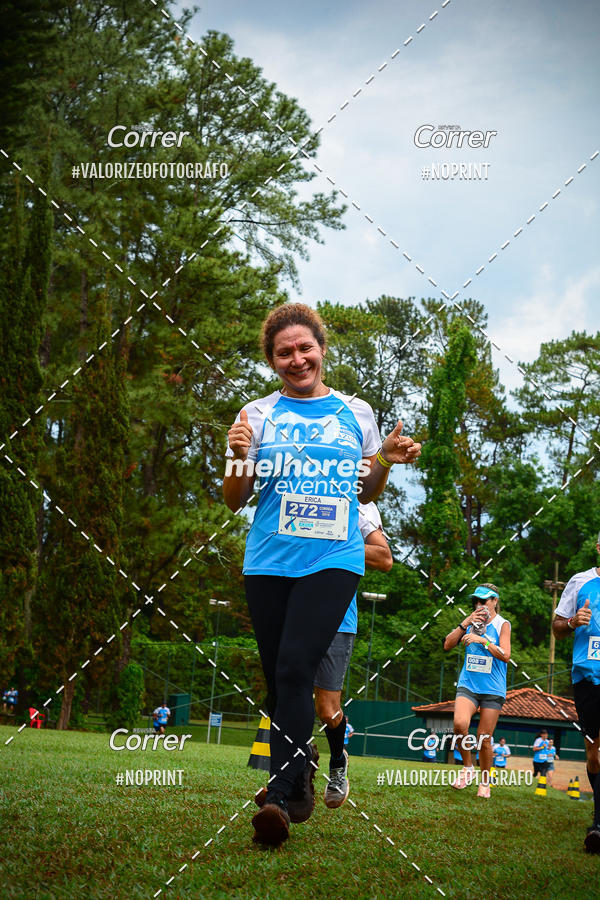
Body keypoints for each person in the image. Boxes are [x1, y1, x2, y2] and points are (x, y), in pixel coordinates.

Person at [223, 303, 421, 845]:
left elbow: (365, 491)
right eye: (284, 352)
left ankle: (281, 801)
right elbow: (235, 500)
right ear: (272, 361)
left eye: (304, 347)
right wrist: (239, 458)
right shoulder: (256, 415)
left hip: (333, 560)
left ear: (322, 349)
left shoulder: (355, 412)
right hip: (267, 561)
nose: (296, 358)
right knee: (281, 681)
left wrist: (383, 458)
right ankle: (302, 775)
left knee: (295, 665)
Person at [314, 500, 392, 808]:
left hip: (337, 619)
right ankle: (286, 777)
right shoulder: (295, 488)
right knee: (285, 696)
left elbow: (384, 558)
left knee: (326, 709)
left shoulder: (361, 505)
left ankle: (337, 762)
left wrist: (330, 546)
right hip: (293, 612)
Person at [443, 583, 511, 799]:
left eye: (484, 601)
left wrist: (483, 640)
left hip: (493, 688)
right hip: (469, 684)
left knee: (483, 737)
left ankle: (485, 781)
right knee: (460, 724)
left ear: (495, 602)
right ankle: (467, 768)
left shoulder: (502, 624)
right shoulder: (470, 622)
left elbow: (505, 655)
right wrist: (465, 623)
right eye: (477, 601)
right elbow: (447, 645)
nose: (480, 605)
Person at [553, 545, 600, 854]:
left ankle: (597, 824)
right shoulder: (580, 581)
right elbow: (557, 628)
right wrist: (572, 622)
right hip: (586, 677)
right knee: (594, 754)